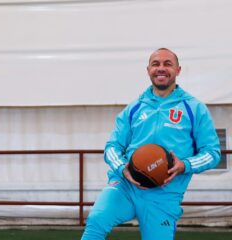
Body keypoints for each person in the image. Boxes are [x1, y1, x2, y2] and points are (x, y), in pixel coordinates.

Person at [81, 48, 220, 240]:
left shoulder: (194, 108)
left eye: (167, 64)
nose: (161, 68)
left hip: (164, 195)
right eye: (156, 64)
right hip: (125, 186)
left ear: (178, 70)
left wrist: (184, 165)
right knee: (96, 221)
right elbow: (112, 147)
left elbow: (212, 153)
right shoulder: (133, 108)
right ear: (148, 70)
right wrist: (122, 168)